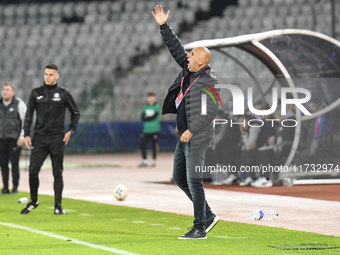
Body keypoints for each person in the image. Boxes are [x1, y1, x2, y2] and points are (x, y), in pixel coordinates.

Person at [152, 5, 220, 239]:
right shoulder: (190, 71)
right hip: (185, 134)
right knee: (180, 178)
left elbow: (211, 111)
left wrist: (191, 130)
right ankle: (208, 215)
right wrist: (164, 26)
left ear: (201, 62)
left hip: (197, 136)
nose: (187, 57)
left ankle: (200, 227)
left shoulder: (208, 81)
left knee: (193, 180)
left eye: (192, 55)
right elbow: (176, 49)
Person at [21, 64, 80, 215]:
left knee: (57, 173)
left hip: (56, 138)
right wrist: (26, 134)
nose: (47, 77)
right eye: (46, 74)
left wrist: (70, 131)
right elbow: (29, 115)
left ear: (57, 76)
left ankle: (58, 206)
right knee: (33, 171)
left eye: (51, 74)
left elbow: (75, 113)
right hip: (39, 138)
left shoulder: (64, 93)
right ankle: (34, 201)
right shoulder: (36, 93)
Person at [0, 83, 27, 194]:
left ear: (13, 93)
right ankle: (5, 187)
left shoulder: (19, 104)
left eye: (7, 89)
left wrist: (22, 137)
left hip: (14, 139)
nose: (5, 91)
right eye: (3, 89)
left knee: (14, 163)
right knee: (3, 164)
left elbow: (25, 122)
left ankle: (15, 186)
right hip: (1, 139)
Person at [139, 92, 161, 167]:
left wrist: (147, 117)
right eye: (149, 97)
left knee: (154, 145)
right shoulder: (145, 107)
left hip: (155, 129)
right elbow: (142, 117)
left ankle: (153, 160)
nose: (151, 99)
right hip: (146, 130)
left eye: (152, 97)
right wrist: (148, 117)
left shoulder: (157, 106)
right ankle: (144, 160)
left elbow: (154, 116)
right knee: (142, 144)